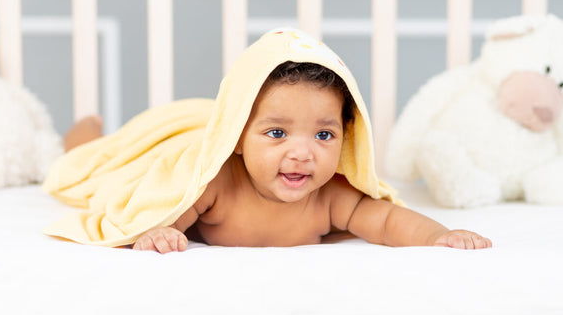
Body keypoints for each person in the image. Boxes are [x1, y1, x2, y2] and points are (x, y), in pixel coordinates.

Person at [63, 60, 492, 254]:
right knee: (95, 160)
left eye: (324, 134)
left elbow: (385, 220)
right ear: (237, 135)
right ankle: (86, 128)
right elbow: (166, 207)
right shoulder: (214, 180)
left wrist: (439, 237)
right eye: (277, 133)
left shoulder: (331, 195)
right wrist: (158, 231)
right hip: (178, 139)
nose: (301, 153)